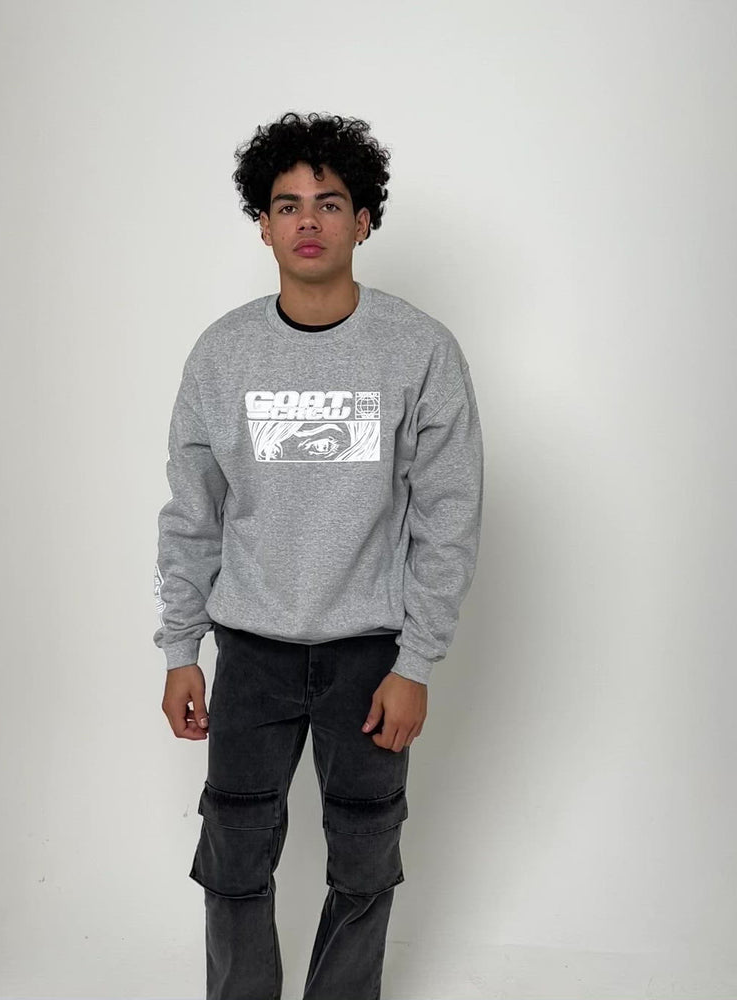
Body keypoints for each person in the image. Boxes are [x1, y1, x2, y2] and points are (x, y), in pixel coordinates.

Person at [153, 110, 484, 1000]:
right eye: (287, 205)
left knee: (366, 864)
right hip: (250, 653)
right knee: (232, 863)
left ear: (363, 220)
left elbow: (448, 517)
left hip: (369, 659)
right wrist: (181, 649)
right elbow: (192, 514)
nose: (308, 221)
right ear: (262, 224)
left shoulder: (419, 350)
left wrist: (416, 663)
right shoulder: (222, 354)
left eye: (330, 203)